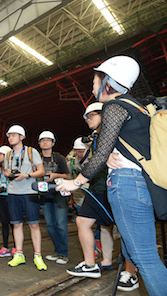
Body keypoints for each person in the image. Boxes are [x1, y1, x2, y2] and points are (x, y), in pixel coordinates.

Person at [57, 56, 167, 295]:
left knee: (144, 257)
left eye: (95, 81)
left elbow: (100, 153)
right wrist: (107, 155)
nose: (93, 87)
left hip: (127, 184)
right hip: (142, 184)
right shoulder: (138, 107)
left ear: (108, 81)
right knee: (134, 250)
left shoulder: (114, 106)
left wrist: (74, 182)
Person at [64, 102, 115, 279]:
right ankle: (93, 263)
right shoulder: (98, 137)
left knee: (122, 229)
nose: (87, 120)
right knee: (90, 223)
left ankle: (130, 271)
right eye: (86, 117)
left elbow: (101, 159)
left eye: (91, 115)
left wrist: (76, 182)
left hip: (113, 187)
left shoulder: (113, 134)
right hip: (99, 187)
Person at [4, 125, 46, 271]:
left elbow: (41, 171)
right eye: (9, 135)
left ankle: (38, 255)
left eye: (14, 135)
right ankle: (19, 254)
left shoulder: (31, 151)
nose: (10, 138)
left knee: (33, 224)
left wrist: (27, 175)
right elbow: (6, 171)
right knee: (16, 224)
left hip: (29, 192)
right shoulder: (8, 154)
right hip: (13, 192)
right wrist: (8, 173)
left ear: (22, 137)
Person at [38, 131, 71, 265]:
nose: (45, 142)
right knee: (50, 226)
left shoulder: (59, 158)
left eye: (48, 140)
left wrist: (55, 175)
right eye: (42, 140)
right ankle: (57, 251)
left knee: (61, 225)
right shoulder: (37, 159)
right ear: (39, 143)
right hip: (44, 196)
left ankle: (63, 253)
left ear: (53, 143)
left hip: (58, 195)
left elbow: (68, 176)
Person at [0, 146, 15, 258]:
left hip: (10, 197)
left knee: (13, 223)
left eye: (1, 154)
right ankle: (5, 247)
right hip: (0, 198)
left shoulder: (12, 169)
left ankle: (16, 247)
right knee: (4, 222)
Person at [67, 137, 89, 214]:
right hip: (78, 197)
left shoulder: (92, 162)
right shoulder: (70, 164)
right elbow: (69, 180)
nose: (82, 154)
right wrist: (71, 199)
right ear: (75, 151)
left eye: (84, 151)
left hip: (92, 195)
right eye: (80, 151)